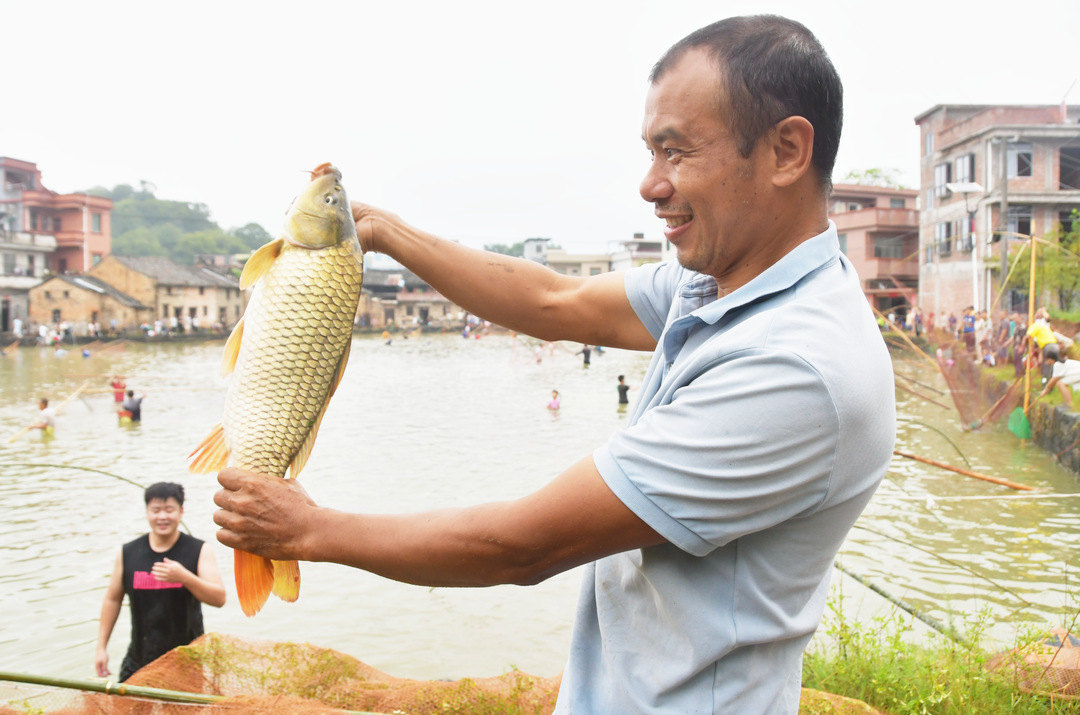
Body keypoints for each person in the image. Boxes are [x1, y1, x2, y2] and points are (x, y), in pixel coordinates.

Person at [212, 15, 894, 714]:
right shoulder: (728, 281)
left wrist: (307, 529)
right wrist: (379, 230)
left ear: (786, 150)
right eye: (650, 152)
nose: (650, 185)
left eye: (676, 152)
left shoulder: (797, 367)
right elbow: (555, 299)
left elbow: (522, 544)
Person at [95, 482, 225, 682]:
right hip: (139, 660)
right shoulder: (128, 552)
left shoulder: (198, 550)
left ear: (181, 512)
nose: (162, 517)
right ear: (147, 512)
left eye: (169, 510)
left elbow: (219, 598)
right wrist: (101, 648)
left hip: (187, 663)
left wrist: (185, 577)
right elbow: (112, 600)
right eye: (156, 510)